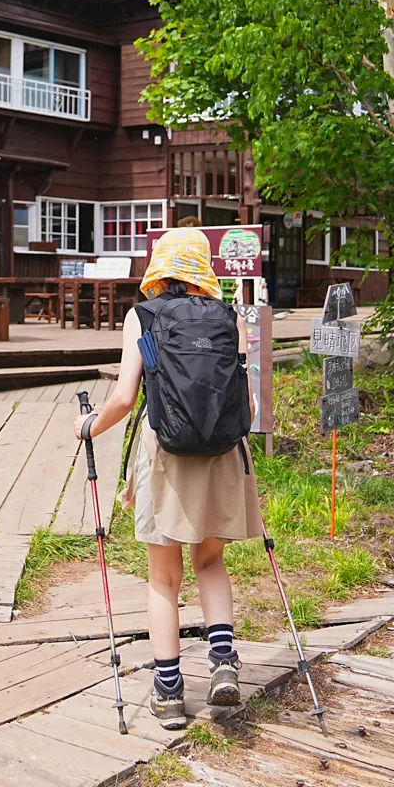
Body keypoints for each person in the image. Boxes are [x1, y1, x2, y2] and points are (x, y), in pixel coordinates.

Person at [74, 227, 259, 730]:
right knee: (211, 559)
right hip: (222, 452)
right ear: (204, 268)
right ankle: (223, 664)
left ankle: (170, 693)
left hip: (166, 454)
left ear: (159, 268)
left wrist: (88, 426)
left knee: (164, 577)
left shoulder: (143, 316)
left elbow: (124, 398)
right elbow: (250, 400)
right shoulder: (230, 319)